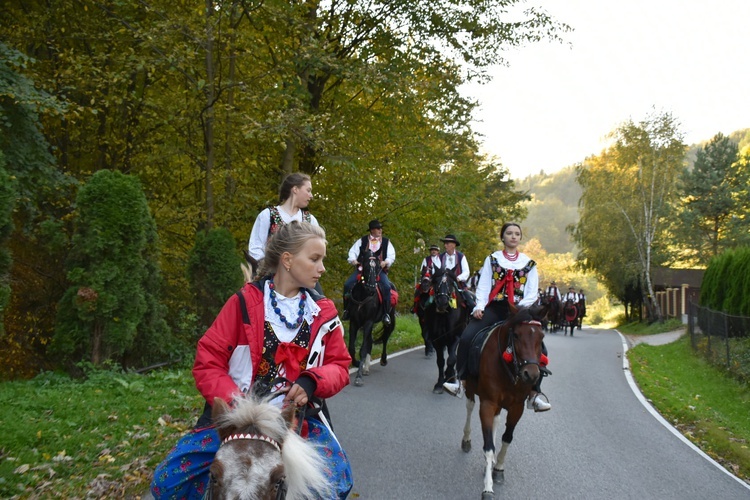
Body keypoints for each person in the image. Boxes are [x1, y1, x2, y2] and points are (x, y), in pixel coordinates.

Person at [151, 221, 353, 499]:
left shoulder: (324, 313)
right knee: (168, 481)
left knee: (337, 482)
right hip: (237, 421)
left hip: (294, 423)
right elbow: (208, 360)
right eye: (315, 259)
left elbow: (340, 366)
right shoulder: (243, 303)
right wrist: (237, 408)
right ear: (288, 260)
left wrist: (311, 381)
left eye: (322, 260)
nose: (322, 268)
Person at [443, 222, 551, 412]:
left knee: (540, 347)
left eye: (517, 233)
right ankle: (461, 382)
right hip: (495, 307)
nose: (513, 236)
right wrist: (479, 306)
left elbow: (532, 291)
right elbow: (484, 285)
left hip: (520, 310)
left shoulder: (529, 263)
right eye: (509, 233)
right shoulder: (492, 259)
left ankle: (534, 394)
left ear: (520, 238)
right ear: (503, 237)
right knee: (468, 337)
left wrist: (521, 309)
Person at [247, 172, 318, 264]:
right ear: (295, 189)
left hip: (300, 276)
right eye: (308, 190)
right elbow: (255, 248)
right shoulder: (267, 215)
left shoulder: (310, 221)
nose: (311, 195)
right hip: (270, 274)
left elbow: (316, 251)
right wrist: (268, 270)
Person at [342, 219, 396, 325]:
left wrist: (386, 262)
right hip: (363, 270)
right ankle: (347, 310)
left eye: (380, 228)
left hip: (379, 270)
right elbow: (352, 253)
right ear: (372, 230)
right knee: (347, 284)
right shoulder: (362, 241)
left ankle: (386, 314)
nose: (380, 230)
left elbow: (391, 256)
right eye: (378, 228)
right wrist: (354, 261)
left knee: (386, 286)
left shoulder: (386, 242)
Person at [439, 234, 475, 310]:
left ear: (453, 245)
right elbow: (435, 271)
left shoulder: (461, 256)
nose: (445, 246)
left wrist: (458, 278)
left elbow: (466, 271)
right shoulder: (440, 257)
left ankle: (471, 319)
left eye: (447, 244)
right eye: (445, 244)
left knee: (471, 304)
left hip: (459, 285)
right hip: (443, 285)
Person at [412, 244, 441, 313]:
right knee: (418, 290)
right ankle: (415, 306)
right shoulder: (426, 259)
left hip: (436, 279)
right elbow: (422, 269)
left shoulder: (440, 259)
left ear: (437, 251)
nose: (433, 251)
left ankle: (440, 306)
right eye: (432, 250)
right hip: (428, 278)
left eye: (435, 250)